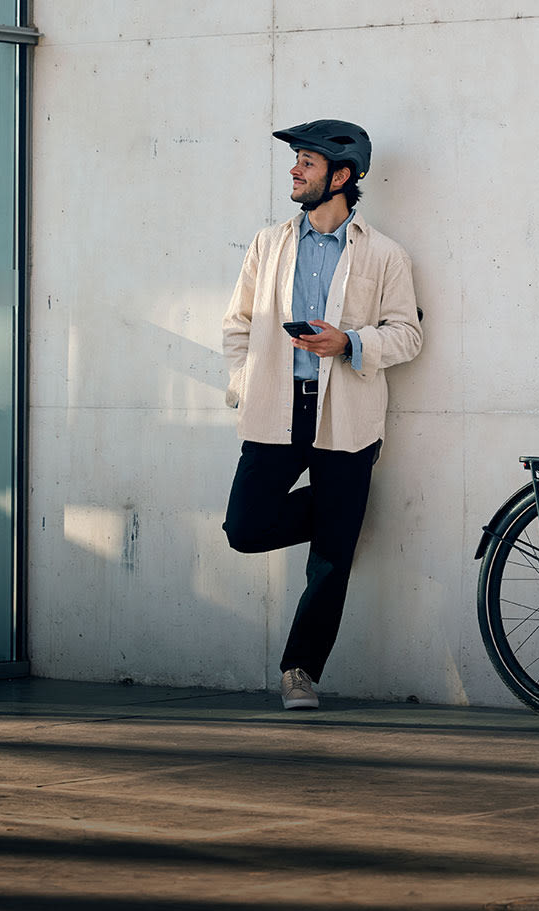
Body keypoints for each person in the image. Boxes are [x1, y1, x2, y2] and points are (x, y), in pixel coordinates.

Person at [220, 119, 423, 710]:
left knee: (331, 563)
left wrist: (352, 344)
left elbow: (407, 334)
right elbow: (237, 324)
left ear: (342, 176)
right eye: (297, 161)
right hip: (275, 411)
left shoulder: (384, 254)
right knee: (245, 528)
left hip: (347, 414)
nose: (294, 170)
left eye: (306, 162)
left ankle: (300, 671)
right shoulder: (269, 244)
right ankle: (342, 515)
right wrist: (243, 383)